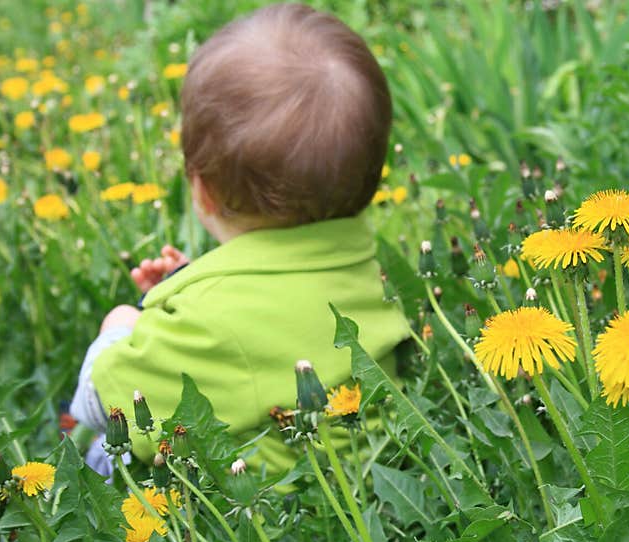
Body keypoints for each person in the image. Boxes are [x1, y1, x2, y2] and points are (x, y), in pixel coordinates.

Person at [70, 3, 410, 478]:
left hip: (255, 518)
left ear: (202, 191)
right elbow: (269, 318)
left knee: (106, 448)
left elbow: (102, 401)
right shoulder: (371, 269)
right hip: (366, 486)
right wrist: (193, 285)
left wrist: (120, 327)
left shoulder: (209, 323)